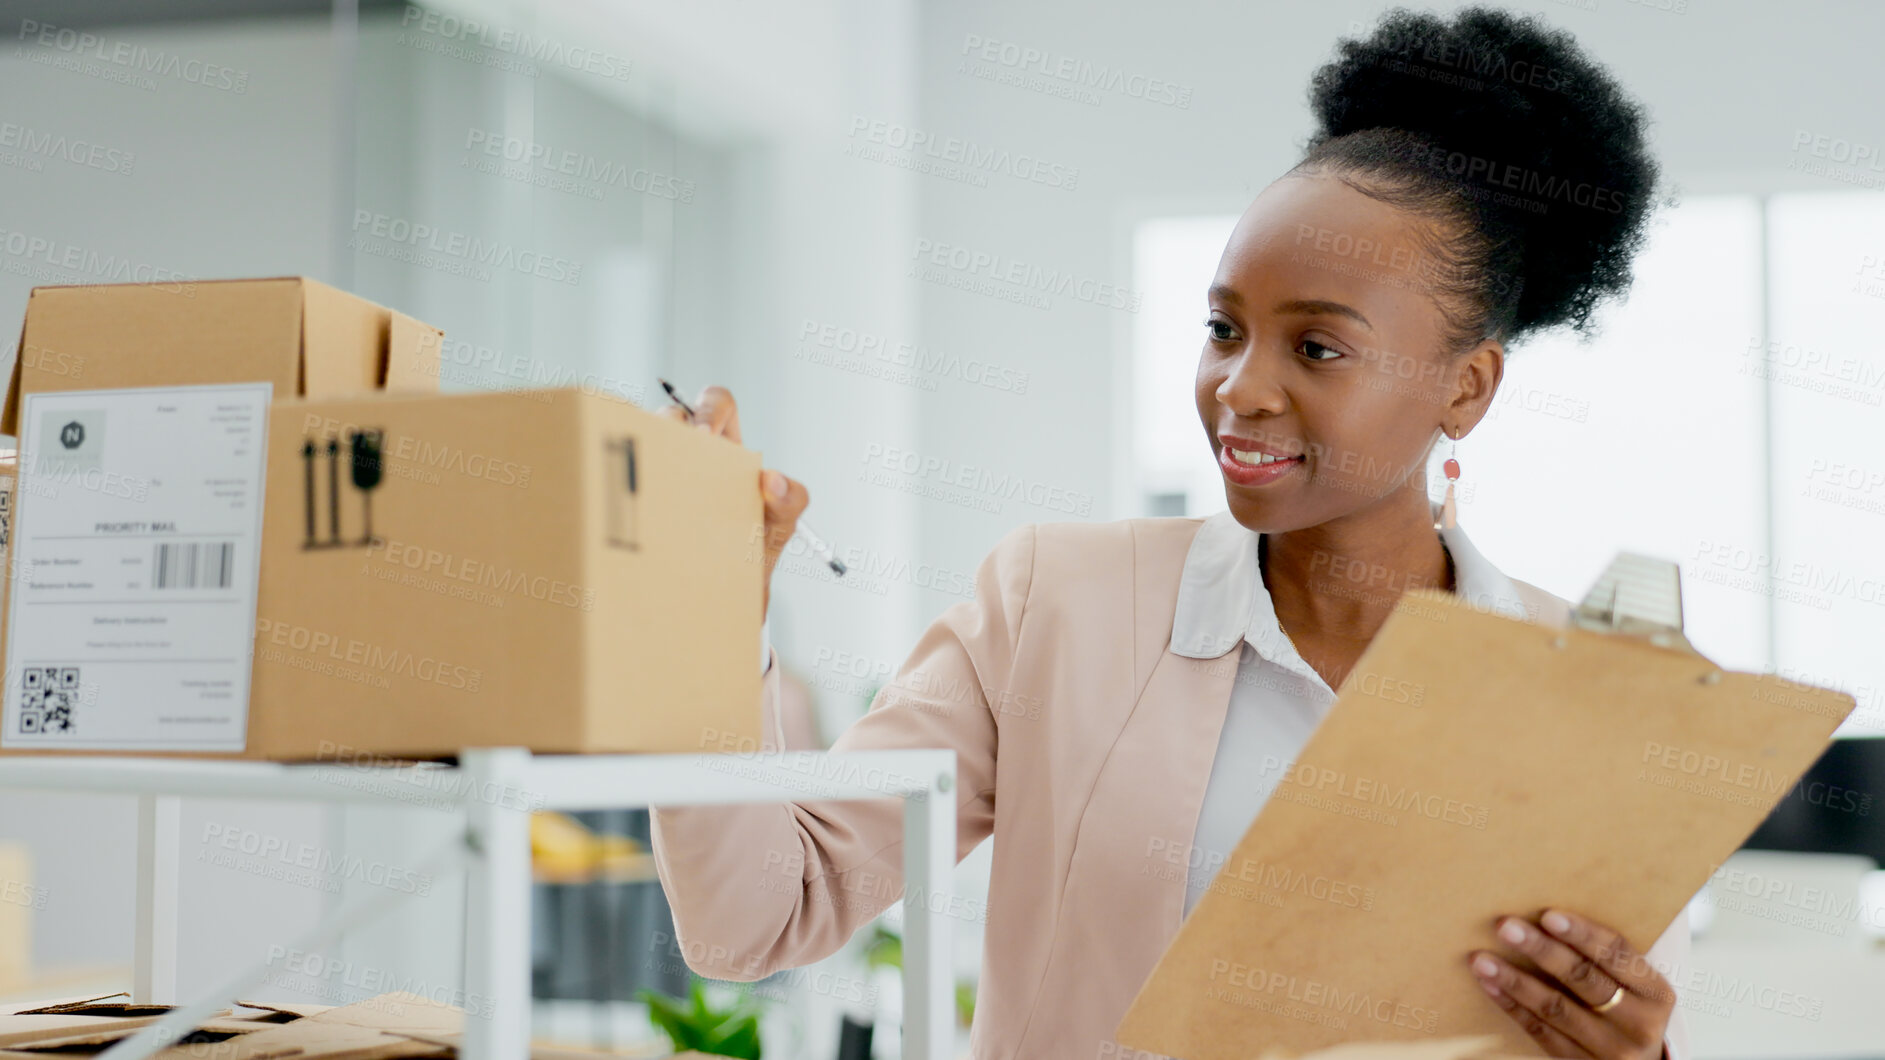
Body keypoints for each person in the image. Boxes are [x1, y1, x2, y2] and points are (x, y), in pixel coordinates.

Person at [652, 7, 1690, 1058]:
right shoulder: (1051, 605)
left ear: (1464, 387)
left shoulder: (1600, 685)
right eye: (1223, 329)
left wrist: (1635, 1049)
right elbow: (755, 921)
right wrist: (705, 608)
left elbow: (1618, 1006)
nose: (1240, 387)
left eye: (1318, 347)